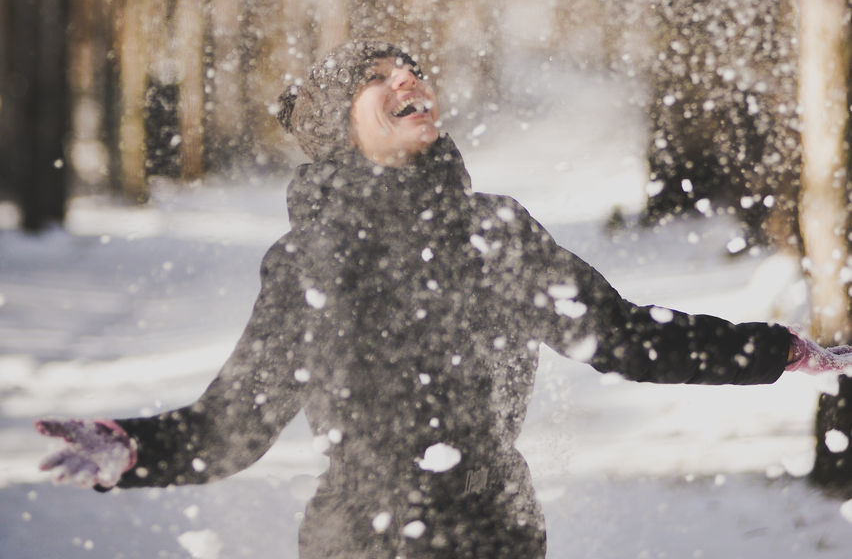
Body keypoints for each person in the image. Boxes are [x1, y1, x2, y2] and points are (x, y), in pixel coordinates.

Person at [36, 39, 852, 558]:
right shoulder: (309, 263)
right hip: (354, 545)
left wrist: (773, 350)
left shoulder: (495, 236)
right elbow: (234, 426)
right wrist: (134, 451)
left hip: (494, 538)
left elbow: (628, 339)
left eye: (412, 68)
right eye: (377, 76)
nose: (408, 77)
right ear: (337, 127)